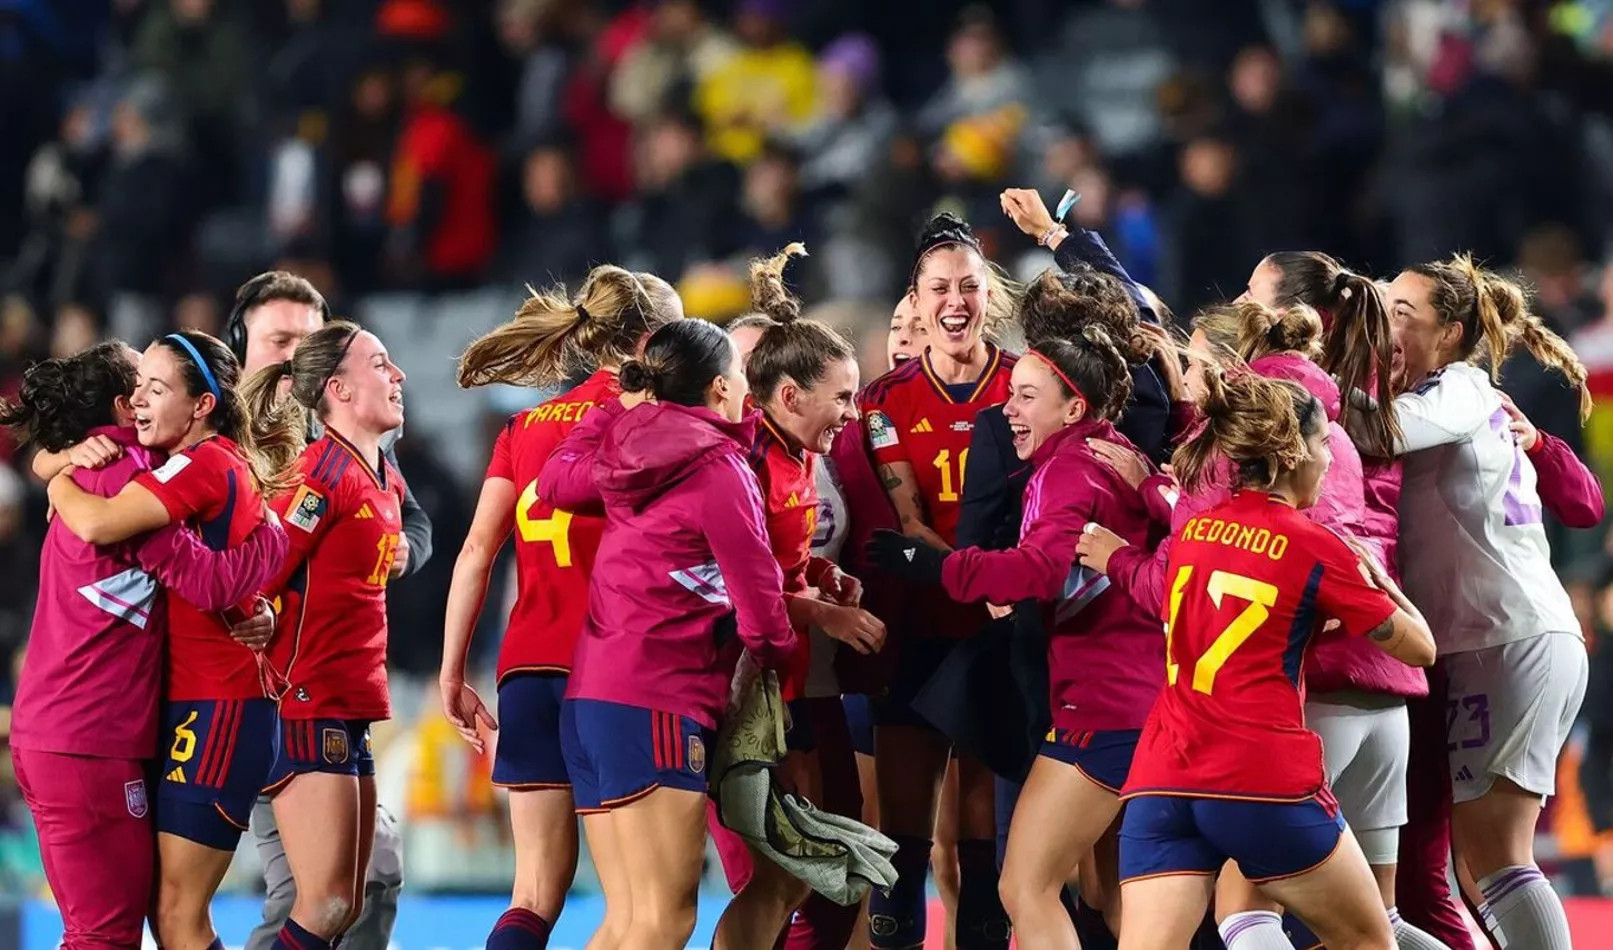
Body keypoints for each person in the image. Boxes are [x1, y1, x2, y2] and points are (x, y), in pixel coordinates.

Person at [1114, 367, 1436, 950]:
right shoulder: (1316, 545)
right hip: (1259, 777)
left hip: (1163, 776)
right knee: (1369, 939)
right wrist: (1381, 582)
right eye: (1320, 445)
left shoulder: (1194, 532)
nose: (1328, 459)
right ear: (1291, 454)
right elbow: (1421, 649)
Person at [867, 328, 1164, 950]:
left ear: (1073, 407)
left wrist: (933, 566)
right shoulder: (1111, 453)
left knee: (1024, 886)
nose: (1009, 410)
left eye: (1027, 397)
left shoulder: (1069, 471)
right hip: (1138, 698)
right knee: (1115, 897)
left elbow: (1038, 571)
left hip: (1102, 709)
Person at [4, 342, 287, 950]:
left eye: (156, 386)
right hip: (85, 741)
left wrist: (52, 469)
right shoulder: (128, 482)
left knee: (127, 926)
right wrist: (276, 537)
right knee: (107, 935)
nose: (143, 396)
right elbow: (207, 581)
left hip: (71, 734)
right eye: (140, 385)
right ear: (118, 406)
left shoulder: (92, 470)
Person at [441, 266, 681, 950]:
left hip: (525, 671)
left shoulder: (525, 425)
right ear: (655, 338)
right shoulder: (650, 420)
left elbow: (477, 553)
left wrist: (452, 673)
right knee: (639, 906)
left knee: (533, 892)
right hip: (611, 676)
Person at [539, 318, 798, 950]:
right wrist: (772, 661)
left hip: (594, 701)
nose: (747, 387)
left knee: (628, 918)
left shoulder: (622, 448)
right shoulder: (719, 466)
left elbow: (553, 480)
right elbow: (760, 604)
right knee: (665, 918)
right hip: (658, 700)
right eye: (740, 375)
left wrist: (611, 413)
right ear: (718, 387)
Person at [218, 271, 432, 950]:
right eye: (378, 362)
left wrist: (405, 552)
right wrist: (256, 616)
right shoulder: (317, 474)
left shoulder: (377, 469)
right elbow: (259, 567)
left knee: (353, 895)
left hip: (345, 701)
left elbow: (414, 531)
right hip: (300, 701)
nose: (398, 372)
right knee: (323, 899)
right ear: (336, 389)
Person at [1386, 254, 1593, 950]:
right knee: (1476, 863)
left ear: (1448, 334)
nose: (1384, 327)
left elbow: (1384, 433)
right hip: (1494, 636)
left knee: (1496, 856)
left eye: (1401, 314)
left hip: (1500, 636)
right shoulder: (1460, 398)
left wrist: (1298, 398)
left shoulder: (1461, 389)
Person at [710, 246, 884, 950]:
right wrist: (825, 611)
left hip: (785, 682)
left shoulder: (799, 454)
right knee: (779, 874)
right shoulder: (741, 459)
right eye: (842, 396)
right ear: (789, 396)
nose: (853, 410)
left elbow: (775, 561)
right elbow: (736, 582)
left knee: (824, 862)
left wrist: (818, 572)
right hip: (736, 685)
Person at [858, 212, 1019, 950]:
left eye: (968, 286)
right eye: (938, 288)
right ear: (915, 302)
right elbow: (895, 515)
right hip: (916, 626)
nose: (954, 301)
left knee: (984, 872)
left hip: (998, 631)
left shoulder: (1027, 385)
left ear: (991, 295)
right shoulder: (883, 401)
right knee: (899, 865)